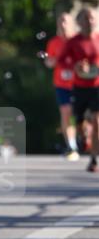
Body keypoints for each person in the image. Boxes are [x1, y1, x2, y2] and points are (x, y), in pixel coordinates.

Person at [58, 6, 99, 172]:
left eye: (92, 18)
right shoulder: (73, 42)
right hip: (80, 87)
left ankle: (94, 159)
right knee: (80, 122)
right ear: (79, 22)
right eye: (86, 18)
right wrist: (75, 66)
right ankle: (84, 137)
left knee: (97, 121)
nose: (89, 21)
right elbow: (61, 61)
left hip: (97, 86)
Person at [44, 11, 79, 160]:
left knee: (88, 115)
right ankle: (72, 146)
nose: (63, 25)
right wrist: (51, 61)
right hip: (61, 84)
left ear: (72, 24)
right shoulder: (54, 43)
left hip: (81, 84)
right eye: (61, 22)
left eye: (66, 22)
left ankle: (88, 140)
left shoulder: (79, 41)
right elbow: (48, 61)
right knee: (66, 113)